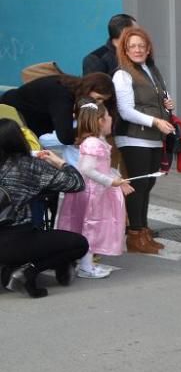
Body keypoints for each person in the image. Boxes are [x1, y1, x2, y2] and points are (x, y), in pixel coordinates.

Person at [0, 119, 88, 298]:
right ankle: (28, 271)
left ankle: (13, 268)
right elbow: (76, 184)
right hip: (14, 241)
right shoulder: (29, 166)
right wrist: (60, 162)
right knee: (79, 244)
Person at [112, 26, 176, 253]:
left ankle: (144, 231)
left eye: (141, 46)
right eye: (132, 47)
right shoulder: (122, 74)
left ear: (148, 49)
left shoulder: (152, 70)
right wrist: (155, 121)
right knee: (138, 186)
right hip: (133, 137)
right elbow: (126, 110)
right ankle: (135, 235)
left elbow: (161, 95)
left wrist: (167, 104)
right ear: (125, 50)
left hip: (154, 138)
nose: (137, 50)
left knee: (148, 184)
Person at [55, 100, 131, 278]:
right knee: (90, 226)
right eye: (108, 116)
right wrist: (109, 181)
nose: (111, 119)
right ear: (99, 121)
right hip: (92, 193)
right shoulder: (92, 143)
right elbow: (87, 169)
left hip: (97, 191)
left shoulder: (98, 140)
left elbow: (103, 167)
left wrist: (116, 177)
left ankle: (86, 264)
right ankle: (86, 267)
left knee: (92, 226)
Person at [1, 73, 116, 149]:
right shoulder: (63, 95)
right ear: (88, 89)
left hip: (32, 120)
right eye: (98, 98)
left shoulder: (74, 89)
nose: (98, 103)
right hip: (12, 114)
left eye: (103, 100)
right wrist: (88, 132)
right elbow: (65, 137)